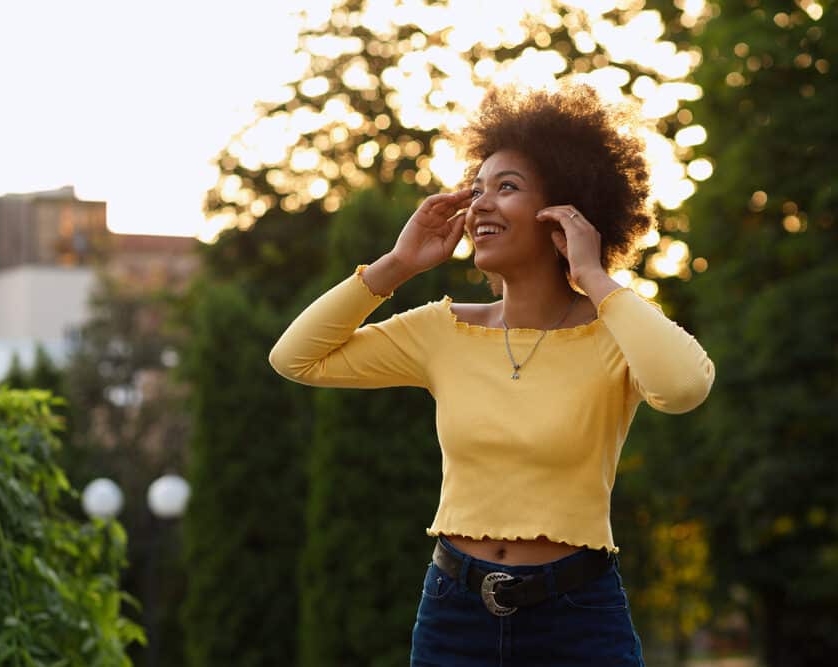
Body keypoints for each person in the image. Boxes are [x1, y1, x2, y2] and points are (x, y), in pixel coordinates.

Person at [269, 83, 715, 666]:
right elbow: (296, 358)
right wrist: (398, 265)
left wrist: (596, 278)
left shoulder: (617, 332)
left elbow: (684, 388)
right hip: (455, 613)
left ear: (566, 213)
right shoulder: (441, 330)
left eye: (506, 188)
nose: (479, 204)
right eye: (477, 189)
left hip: (578, 617)